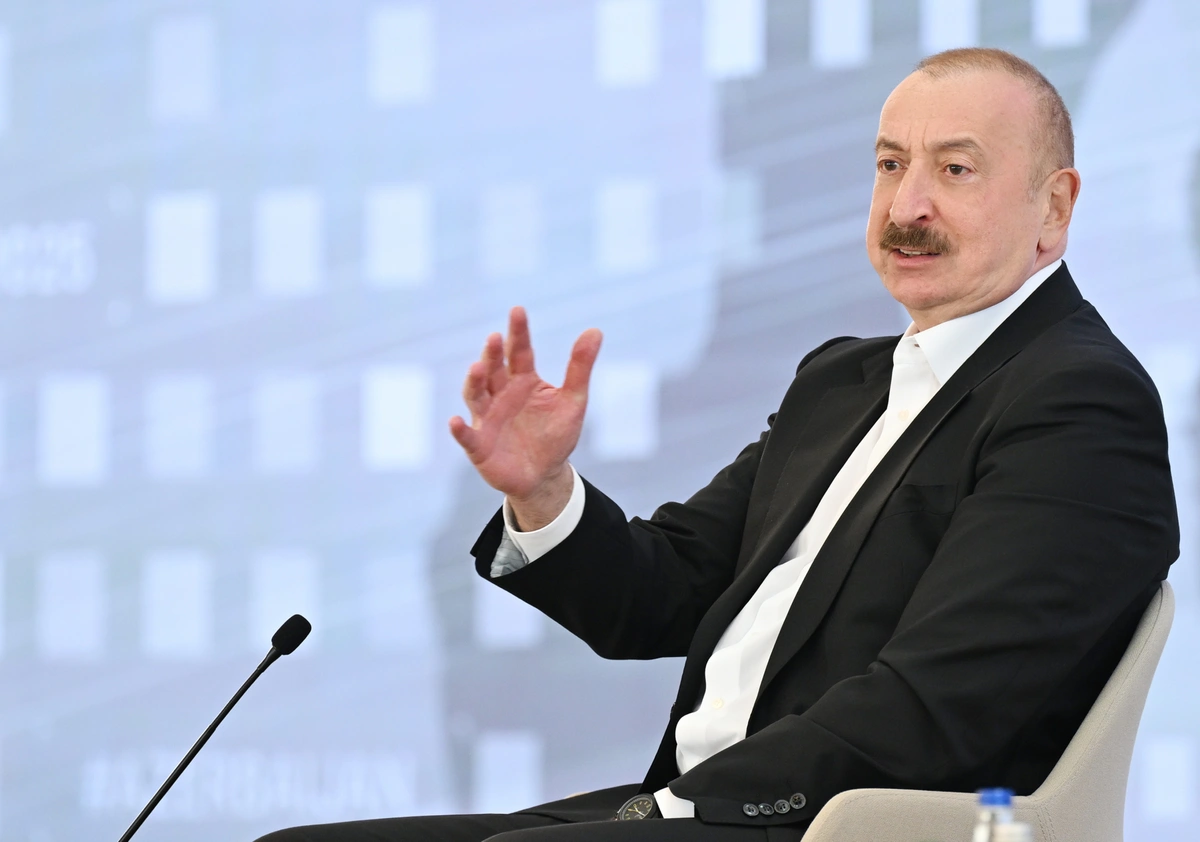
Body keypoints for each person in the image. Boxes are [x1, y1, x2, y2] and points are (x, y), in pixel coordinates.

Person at [257, 47, 1178, 842]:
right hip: (693, 810)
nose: (908, 204)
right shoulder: (841, 381)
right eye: (890, 164)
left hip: (822, 824)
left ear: (1054, 207)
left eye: (956, 169)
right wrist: (543, 491)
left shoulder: (1077, 402)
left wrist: (674, 811)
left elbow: (939, 708)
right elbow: (663, 595)